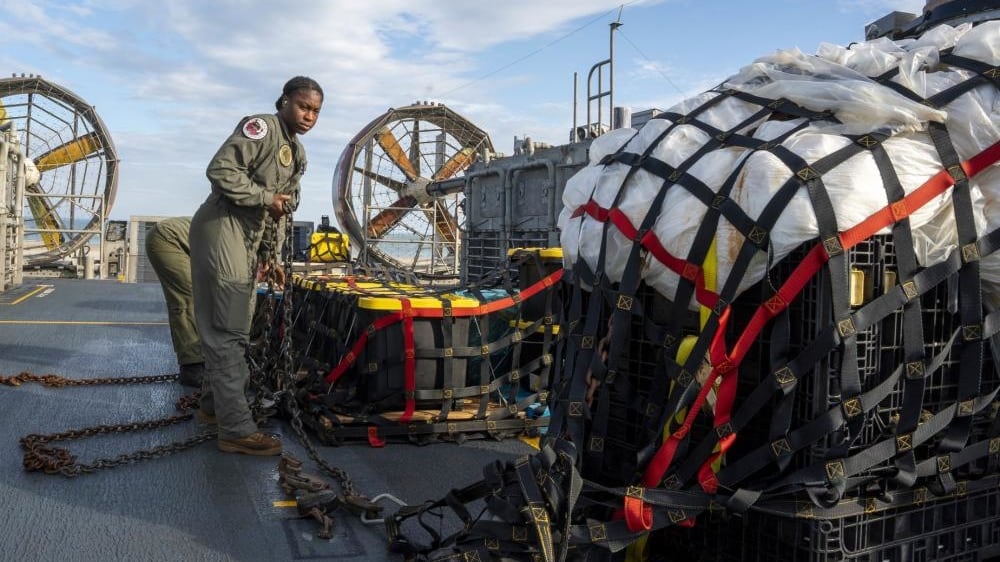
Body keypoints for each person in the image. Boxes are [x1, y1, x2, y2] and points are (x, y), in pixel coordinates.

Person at [190, 76, 323, 456]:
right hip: (223, 227)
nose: (309, 116)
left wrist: (270, 256)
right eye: (303, 107)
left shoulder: (296, 153)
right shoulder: (262, 128)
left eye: (315, 111)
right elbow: (220, 171)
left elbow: (278, 211)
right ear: (284, 102)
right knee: (228, 331)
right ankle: (234, 429)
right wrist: (265, 196)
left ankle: (214, 409)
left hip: (248, 238)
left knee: (236, 325)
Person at [145, 216, 204, 388]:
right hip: (167, 239)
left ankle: (201, 358)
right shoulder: (238, 246)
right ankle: (192, 367)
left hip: (182, 242)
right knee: (188, 299)